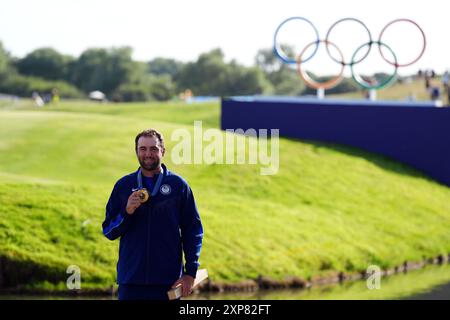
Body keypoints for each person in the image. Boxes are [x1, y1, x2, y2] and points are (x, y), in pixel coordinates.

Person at [102, 129, 204, 300]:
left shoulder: (178, 186)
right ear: (136, 151)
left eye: (153, 149)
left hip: (168, 282)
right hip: (131, 282)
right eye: (143, 149)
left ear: (162, 151)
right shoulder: (124, 185)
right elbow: (109, 231)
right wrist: (126, 212)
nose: (148, 154)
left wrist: (190, 272)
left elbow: (192, 231)